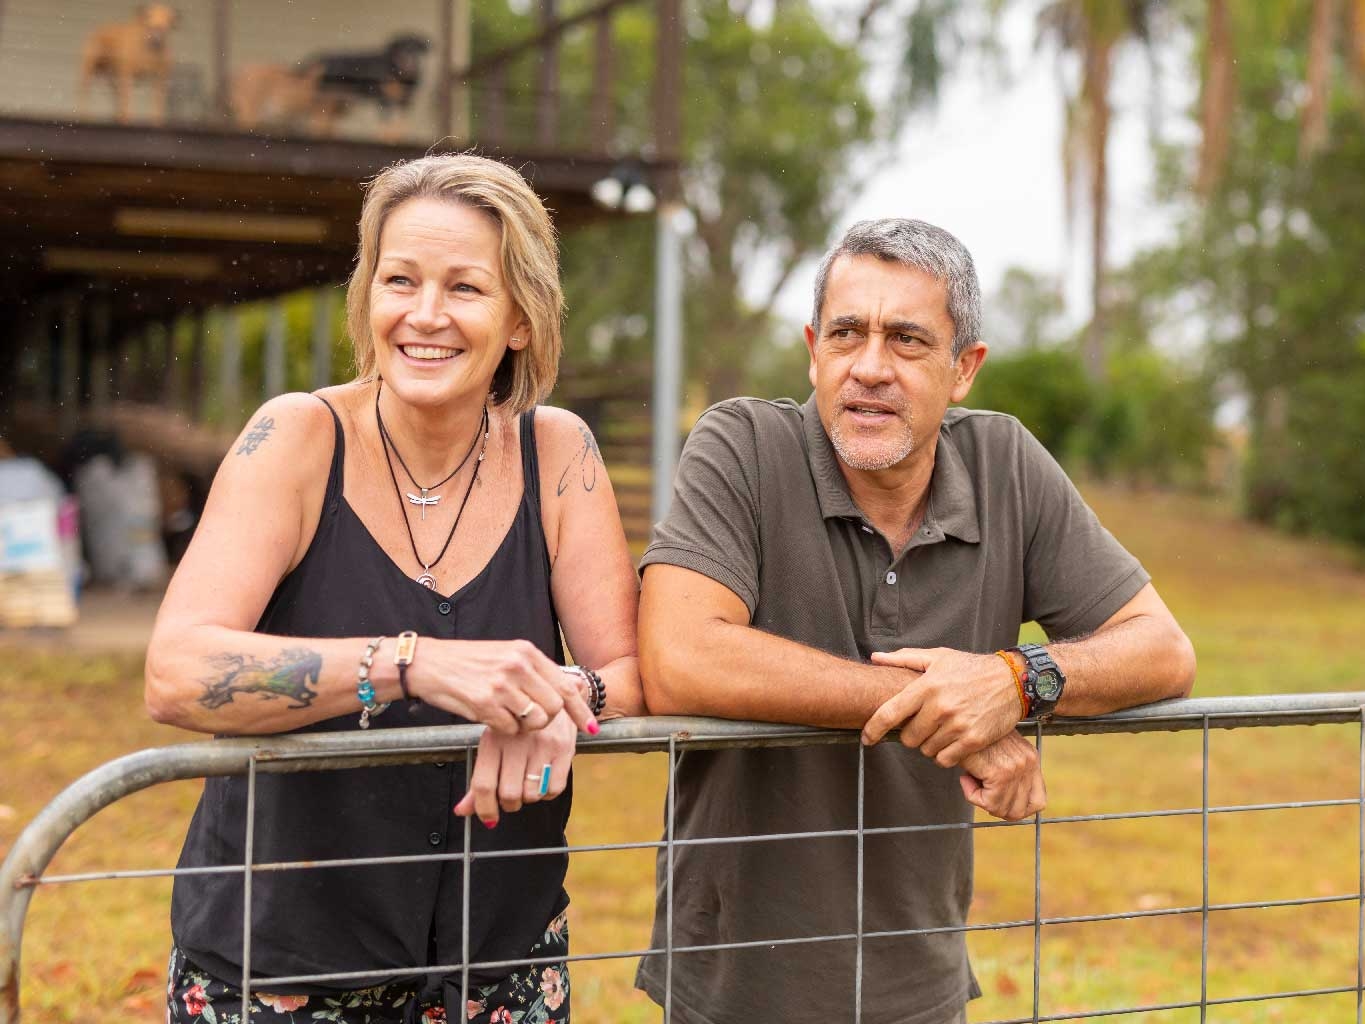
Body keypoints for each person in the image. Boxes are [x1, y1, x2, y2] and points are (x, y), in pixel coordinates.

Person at [635, 218, 1196, 1024]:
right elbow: (680, 657)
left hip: (920, 980)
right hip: (732, 981)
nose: (869, 368)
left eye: (906, 340)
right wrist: (946, 710)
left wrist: (1015, 681)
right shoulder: (743, 445)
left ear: (963, 367)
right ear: (811, 349)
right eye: (846, 334)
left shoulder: (1004, 464)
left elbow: (1162, 651)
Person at [145, 152, 643, 1024]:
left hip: (498, 966)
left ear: (521, 317)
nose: (424, 316)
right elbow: (178, 670)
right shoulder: (296, 438)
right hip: (281, 968)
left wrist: (552, 698)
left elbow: (634, 671)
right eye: (399, 279)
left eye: (464, 289)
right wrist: (409, 665)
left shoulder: (558, 452)